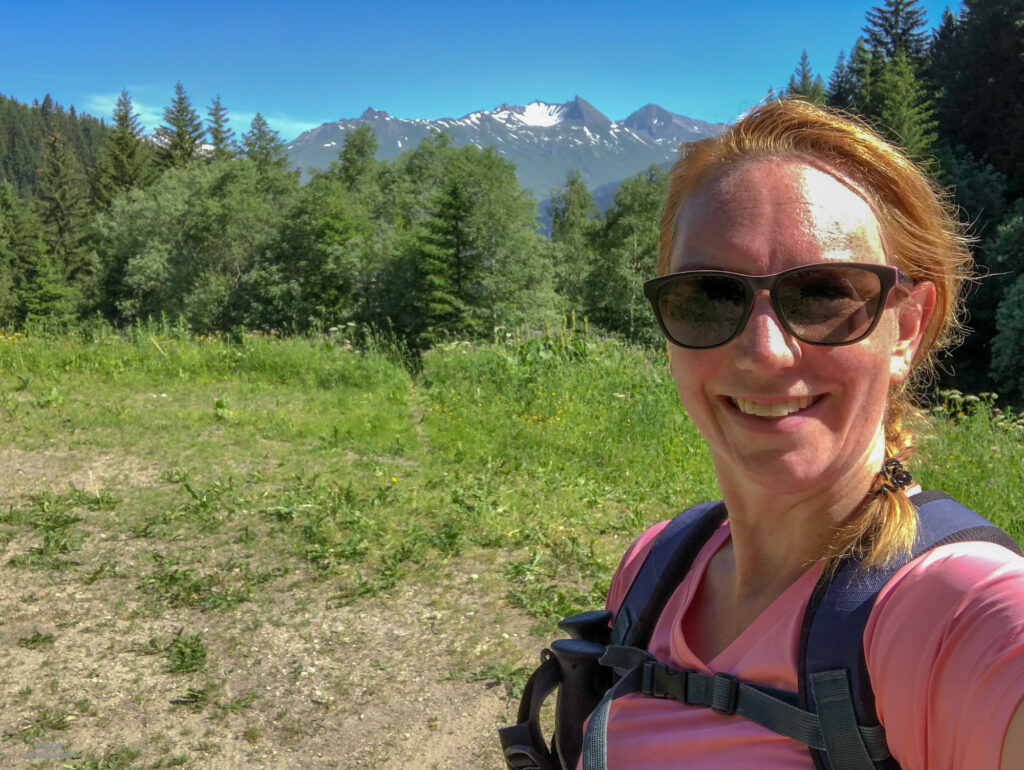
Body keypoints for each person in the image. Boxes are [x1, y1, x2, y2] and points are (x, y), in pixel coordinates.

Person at [596, 99, 1024, 768]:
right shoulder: (651, 566)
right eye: (710, 295)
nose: (763, 352)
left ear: (906, 330)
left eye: (825, 293)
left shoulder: (956, 610)